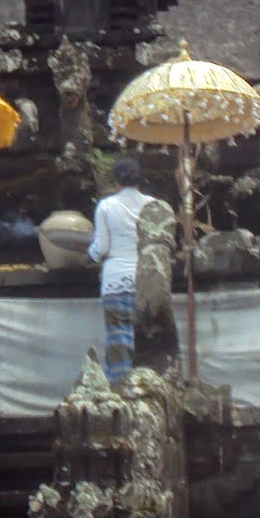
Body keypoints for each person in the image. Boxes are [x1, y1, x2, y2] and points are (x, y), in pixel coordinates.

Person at [88, 156, 150, 384]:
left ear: (116, 182)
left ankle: (121, 390)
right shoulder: (152, 205)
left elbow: (101, 247)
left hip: (115, 282)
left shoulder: (106, 206)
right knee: (145, 340)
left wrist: (89, 254)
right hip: (145, 280)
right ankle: (145, 388)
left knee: (119, 341)